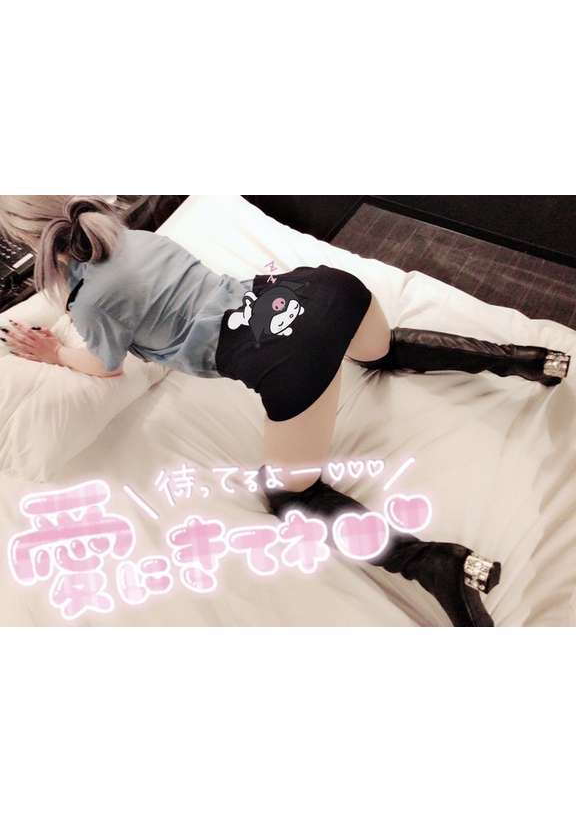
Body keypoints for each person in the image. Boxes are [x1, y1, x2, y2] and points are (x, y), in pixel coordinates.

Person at [0, 195, 570, 627]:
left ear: (32, 245)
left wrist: (55, 352)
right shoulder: (138, 239)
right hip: (326, 291)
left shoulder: (90, 301)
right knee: (383, 351)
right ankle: (525, 360)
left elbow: (106, 367)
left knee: (291, 497)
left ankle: (437, 566)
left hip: (289, 356)